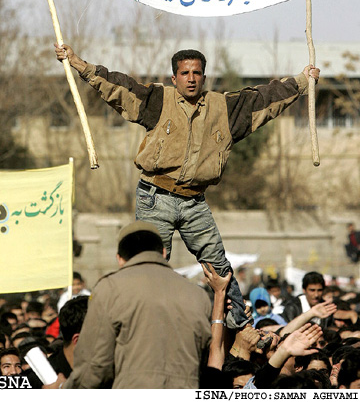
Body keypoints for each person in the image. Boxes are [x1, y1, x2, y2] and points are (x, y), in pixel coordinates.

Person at [55, 42, 319, 330]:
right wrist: (79, 63)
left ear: (204, 77)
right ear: (174, 77)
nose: (191, 78)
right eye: (184, 73)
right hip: (155, 197)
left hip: (195, 202)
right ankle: (145, 325)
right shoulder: (157, 100)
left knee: (219, 266)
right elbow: (118, 87)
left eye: (197, 73)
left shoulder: (224, 108)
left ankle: (238, 327)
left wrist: (303, 81)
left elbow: (265, 99)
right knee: (150, 265)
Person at [47, 221, 212, 389]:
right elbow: (206, 358)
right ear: (163, 252)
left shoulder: (109, 289)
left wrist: (62, 390)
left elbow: (96, 367)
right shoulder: (198, 295)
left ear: (120, 259)